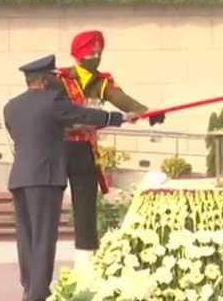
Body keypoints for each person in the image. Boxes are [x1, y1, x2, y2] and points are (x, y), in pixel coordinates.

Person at [3, 54, 134, 301]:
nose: (56, 80)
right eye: (52, 77)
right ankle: (38, 294)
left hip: (20, 176)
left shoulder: (11, 106)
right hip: (45, 177)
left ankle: (28, 287)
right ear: (43, 81)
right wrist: (118, 117)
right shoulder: (52, 101)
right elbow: (83, 115)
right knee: (44, 235)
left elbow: (23, 133)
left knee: (27, 236)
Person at [55, 30, 165, 273]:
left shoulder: (102, 82)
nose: (95, 56)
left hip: (84, 148)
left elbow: (122, 101)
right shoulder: (59, 79)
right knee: (50, 205)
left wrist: (146, 112)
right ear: (78, 55)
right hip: (56, 148)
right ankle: (42, 261)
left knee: (85, 206)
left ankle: (85, 262)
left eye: (98, 52)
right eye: (90, 52)